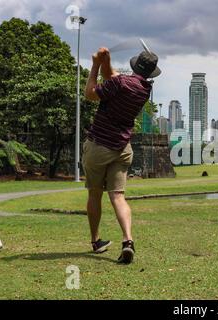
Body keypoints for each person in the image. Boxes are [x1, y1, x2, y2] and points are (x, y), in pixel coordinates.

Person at [83, 47, 161, 264]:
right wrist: (106, 61)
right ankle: (128, 241)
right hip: (122, 148)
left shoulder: (120, 83)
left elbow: (90, 94)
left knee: (95, 193)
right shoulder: (143, 89)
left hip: (99, 146)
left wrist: (96, 64)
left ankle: (96, 241)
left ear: (135, 65)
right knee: (118, 196)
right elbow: (115, 77)